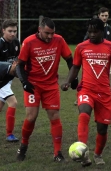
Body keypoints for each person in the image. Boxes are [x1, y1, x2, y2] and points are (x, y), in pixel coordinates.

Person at [61, 18, 111, 167]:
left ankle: (98, 154)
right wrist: (68, 81)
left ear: (102, 31)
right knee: (84, 114)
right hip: (86, 89)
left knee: (102, 128)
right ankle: (83, 154)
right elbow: (75, 66)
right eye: (89, 31)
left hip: (104, 93)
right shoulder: (81, 47)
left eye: (95, 31)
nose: (92, 34)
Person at [15, 17, 78, 162]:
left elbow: (70, 59)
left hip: (50, 86)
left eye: (52, 33)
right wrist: (24, 82)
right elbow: (20, 65)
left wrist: (73, 78)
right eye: (47, 33)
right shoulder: (29, 42)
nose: (50, 37)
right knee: (31, 117)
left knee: (55, 117)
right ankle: (23, 145)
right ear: (39, 30)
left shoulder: (59, 40)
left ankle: (57, 153)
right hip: (33, 86)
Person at [74, 7, 111, 106]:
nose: (104, 17)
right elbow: (85, 42)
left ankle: (105, 96)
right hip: (92, 57)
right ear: (99, 15)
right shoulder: (93, 28)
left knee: (105, 78)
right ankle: (80, 96)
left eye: (106, 16)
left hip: (104, 57)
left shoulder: (108, 28)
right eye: (103, 15)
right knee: (86, 79)